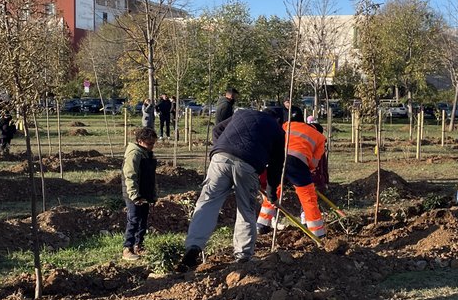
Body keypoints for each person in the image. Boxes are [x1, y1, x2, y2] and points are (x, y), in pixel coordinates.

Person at [180, 107, 284, 269]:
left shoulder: (242, 113)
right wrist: (271, 194)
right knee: (246, 209)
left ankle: (193, 247)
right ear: (279, 120)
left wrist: (222, 147)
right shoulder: (277, 130)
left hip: (220, 158)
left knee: (207, 203)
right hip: (248, 165)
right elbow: (276, 166)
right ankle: (243, 256)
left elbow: (217, 129)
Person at [257, 106, 328, 237]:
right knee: (308, 196)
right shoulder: (320, 137)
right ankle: (317, 232)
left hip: (276, 159)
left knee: (274, 189)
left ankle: (262, 224)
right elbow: (314, 163)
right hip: (297, 164)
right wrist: (302, 175)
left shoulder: (285, 125)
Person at [121, 127, 158, 261]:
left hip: (144, 192)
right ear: (139, 141)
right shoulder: (134, 154)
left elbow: (150, 176)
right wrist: (134, 195)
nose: (151, 146)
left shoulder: (147, 153)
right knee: (134, 220)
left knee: (143, 220)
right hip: (134, 194)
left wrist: (152, 194)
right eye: (149, 144)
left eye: (153, 143)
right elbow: (130, 175)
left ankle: (139, 245)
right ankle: (127, 248)